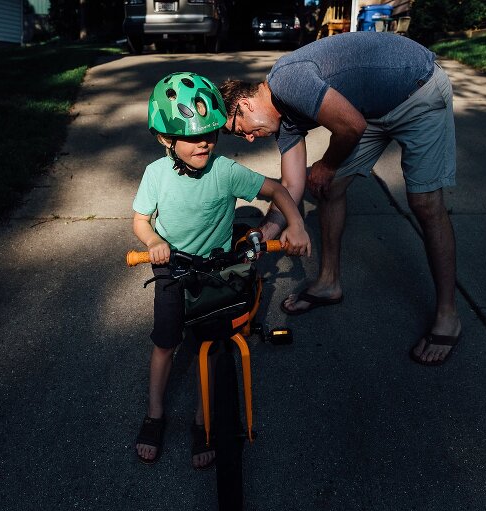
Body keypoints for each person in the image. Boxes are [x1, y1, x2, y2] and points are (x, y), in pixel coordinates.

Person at [219, 32, 461, 366]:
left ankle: (448, 315)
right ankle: (329, 283)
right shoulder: (285, 121)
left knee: (425, 203)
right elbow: (291, 187)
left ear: (246, 104)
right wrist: (256, 244)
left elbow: (350, 126)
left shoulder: (287, 81)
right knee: (327, 187)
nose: (247, 139)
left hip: (418, 90)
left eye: (239, 128)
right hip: (372, 111)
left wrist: (328, 164)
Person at [132, 72, 311, 468]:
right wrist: (153, 243)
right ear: (166, 139)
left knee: (208, 347)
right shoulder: (155, 175)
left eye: (210, 134)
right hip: (172, 267)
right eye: (193, 138)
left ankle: (203, 420)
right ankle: (155, 413)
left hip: (216, 270)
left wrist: (296, 224)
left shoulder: (225, 170)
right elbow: (141, 220)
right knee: (165, 343)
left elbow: (278, 189)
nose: (205, 144)